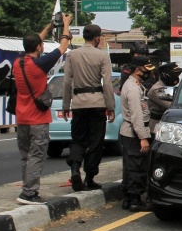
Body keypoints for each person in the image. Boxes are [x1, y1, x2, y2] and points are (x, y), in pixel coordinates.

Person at [14, 13, 72, 205]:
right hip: (37, 118)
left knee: (26, 156)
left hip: (21, 117)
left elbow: (33, 42)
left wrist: (49, 27)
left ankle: (26, 187)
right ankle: (29, 193)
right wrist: (65, 25)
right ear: (39, 47)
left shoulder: (18, 62)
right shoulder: (39, 65)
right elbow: (63, 47)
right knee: (37, 156)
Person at [62, 23, 115, 192]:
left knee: (77, 139)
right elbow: (107, 83)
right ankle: (89, 177)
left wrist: (65, 105)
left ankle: (75, 168)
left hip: (78, 103)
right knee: (95, 141)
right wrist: (111, 106)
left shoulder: (72, 55)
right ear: (97, 38)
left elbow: (66, 82)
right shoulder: (102, 56)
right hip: (97, 103)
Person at [119, 55, 154, 211]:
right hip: (134, 132)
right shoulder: (133, 88)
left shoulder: (135, 85)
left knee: (130, 166)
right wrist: (143, 138)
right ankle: (135, 199)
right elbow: (137, 115)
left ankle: (127, 198)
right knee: (136, 167)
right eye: (146, 70)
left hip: (130, 131)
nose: (148, 74)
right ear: (138, 70)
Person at [147, 62, 182, 131]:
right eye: (174, 75)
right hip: (155, 126)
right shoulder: (156, 89)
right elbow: (173, 105)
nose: (176, 78)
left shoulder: (168, 87)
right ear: (164, 75)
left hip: (166, 124)